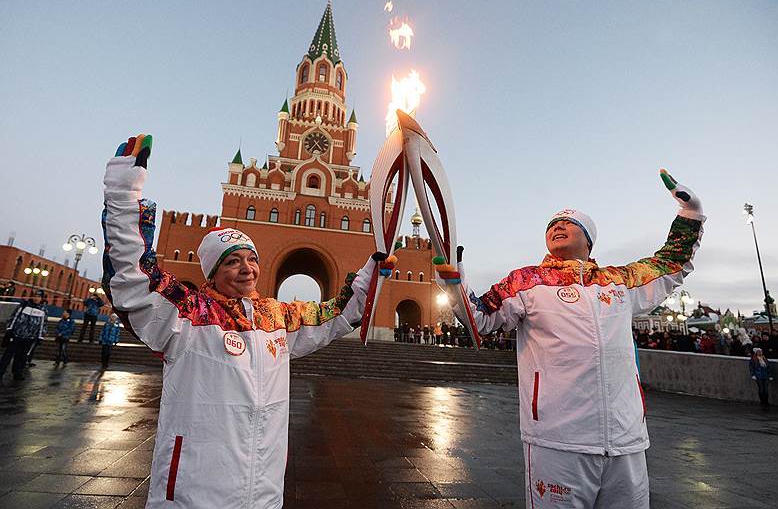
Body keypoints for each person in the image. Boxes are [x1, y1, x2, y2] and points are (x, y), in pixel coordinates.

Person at [101, 135, 382, 508]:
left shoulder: (276, 317)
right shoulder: (187, 315)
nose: (246, 269)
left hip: (262, 493)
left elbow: (337, 313)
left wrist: (375, 266)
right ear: (213, 271)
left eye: (251, 260)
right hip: (196, 492)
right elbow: (134, 279)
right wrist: (123, 194)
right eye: (233, 261)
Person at [440, 170, 704, 508]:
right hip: (558, 441)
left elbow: (671, 262)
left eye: (568, 222)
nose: (558, 226)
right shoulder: (526, 281)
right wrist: (453, 282)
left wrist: (691, 213)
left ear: (589, 239)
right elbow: (480, 317)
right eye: (552, 225)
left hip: (626, 442)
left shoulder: (619, 281)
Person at [0, 290, 47, 380]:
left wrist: (40, 337)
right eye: (35, 296)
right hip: (16, 335)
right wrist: (10, 330)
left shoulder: (43, 310)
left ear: (42, 298)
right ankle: (1, 372)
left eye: (39, 296)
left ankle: (17, 373)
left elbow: (43, 324)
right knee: (7, 356)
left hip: (29, 338)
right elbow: (13, 317)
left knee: (21, 357)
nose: (36, 298)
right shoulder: (23, 306)